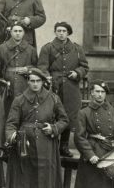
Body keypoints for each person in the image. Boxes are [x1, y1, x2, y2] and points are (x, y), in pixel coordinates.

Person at [5, 68, 69, 188]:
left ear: (43, 82)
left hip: (46, 141)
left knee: (46, 175)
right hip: (25, 141)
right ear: (28, 81)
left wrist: (54, 129)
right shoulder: (19, 100)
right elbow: (11, 123)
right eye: (32, 81)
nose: (35, 84)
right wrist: (12, 135)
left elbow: (64, 120)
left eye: (38, 81)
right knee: (24, 174)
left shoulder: (53, 98)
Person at [38, 22, 89, 156]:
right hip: (53, 86)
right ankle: (50, 146)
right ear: (55, 32)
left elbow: (85, 67)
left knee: (68, 116)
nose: (61, 33)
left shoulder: (77, 49)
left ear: (68, 33)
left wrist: (77, 73)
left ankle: (64, 147)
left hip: (71, 87)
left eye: (64, 31)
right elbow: (42, 67)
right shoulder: (47, 48)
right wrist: (47, 77)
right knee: (51, 114)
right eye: (59, 31)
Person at [0, 23, 38, 115]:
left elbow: (37, 66)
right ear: (11, 32)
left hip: (25, 83)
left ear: (24, 33)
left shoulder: (31, 49)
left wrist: (28, 69)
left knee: (25, 108)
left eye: (20, 31)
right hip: (7, 83)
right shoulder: (2, 48)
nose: (17, 33)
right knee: (7, 108)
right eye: (15, 31)